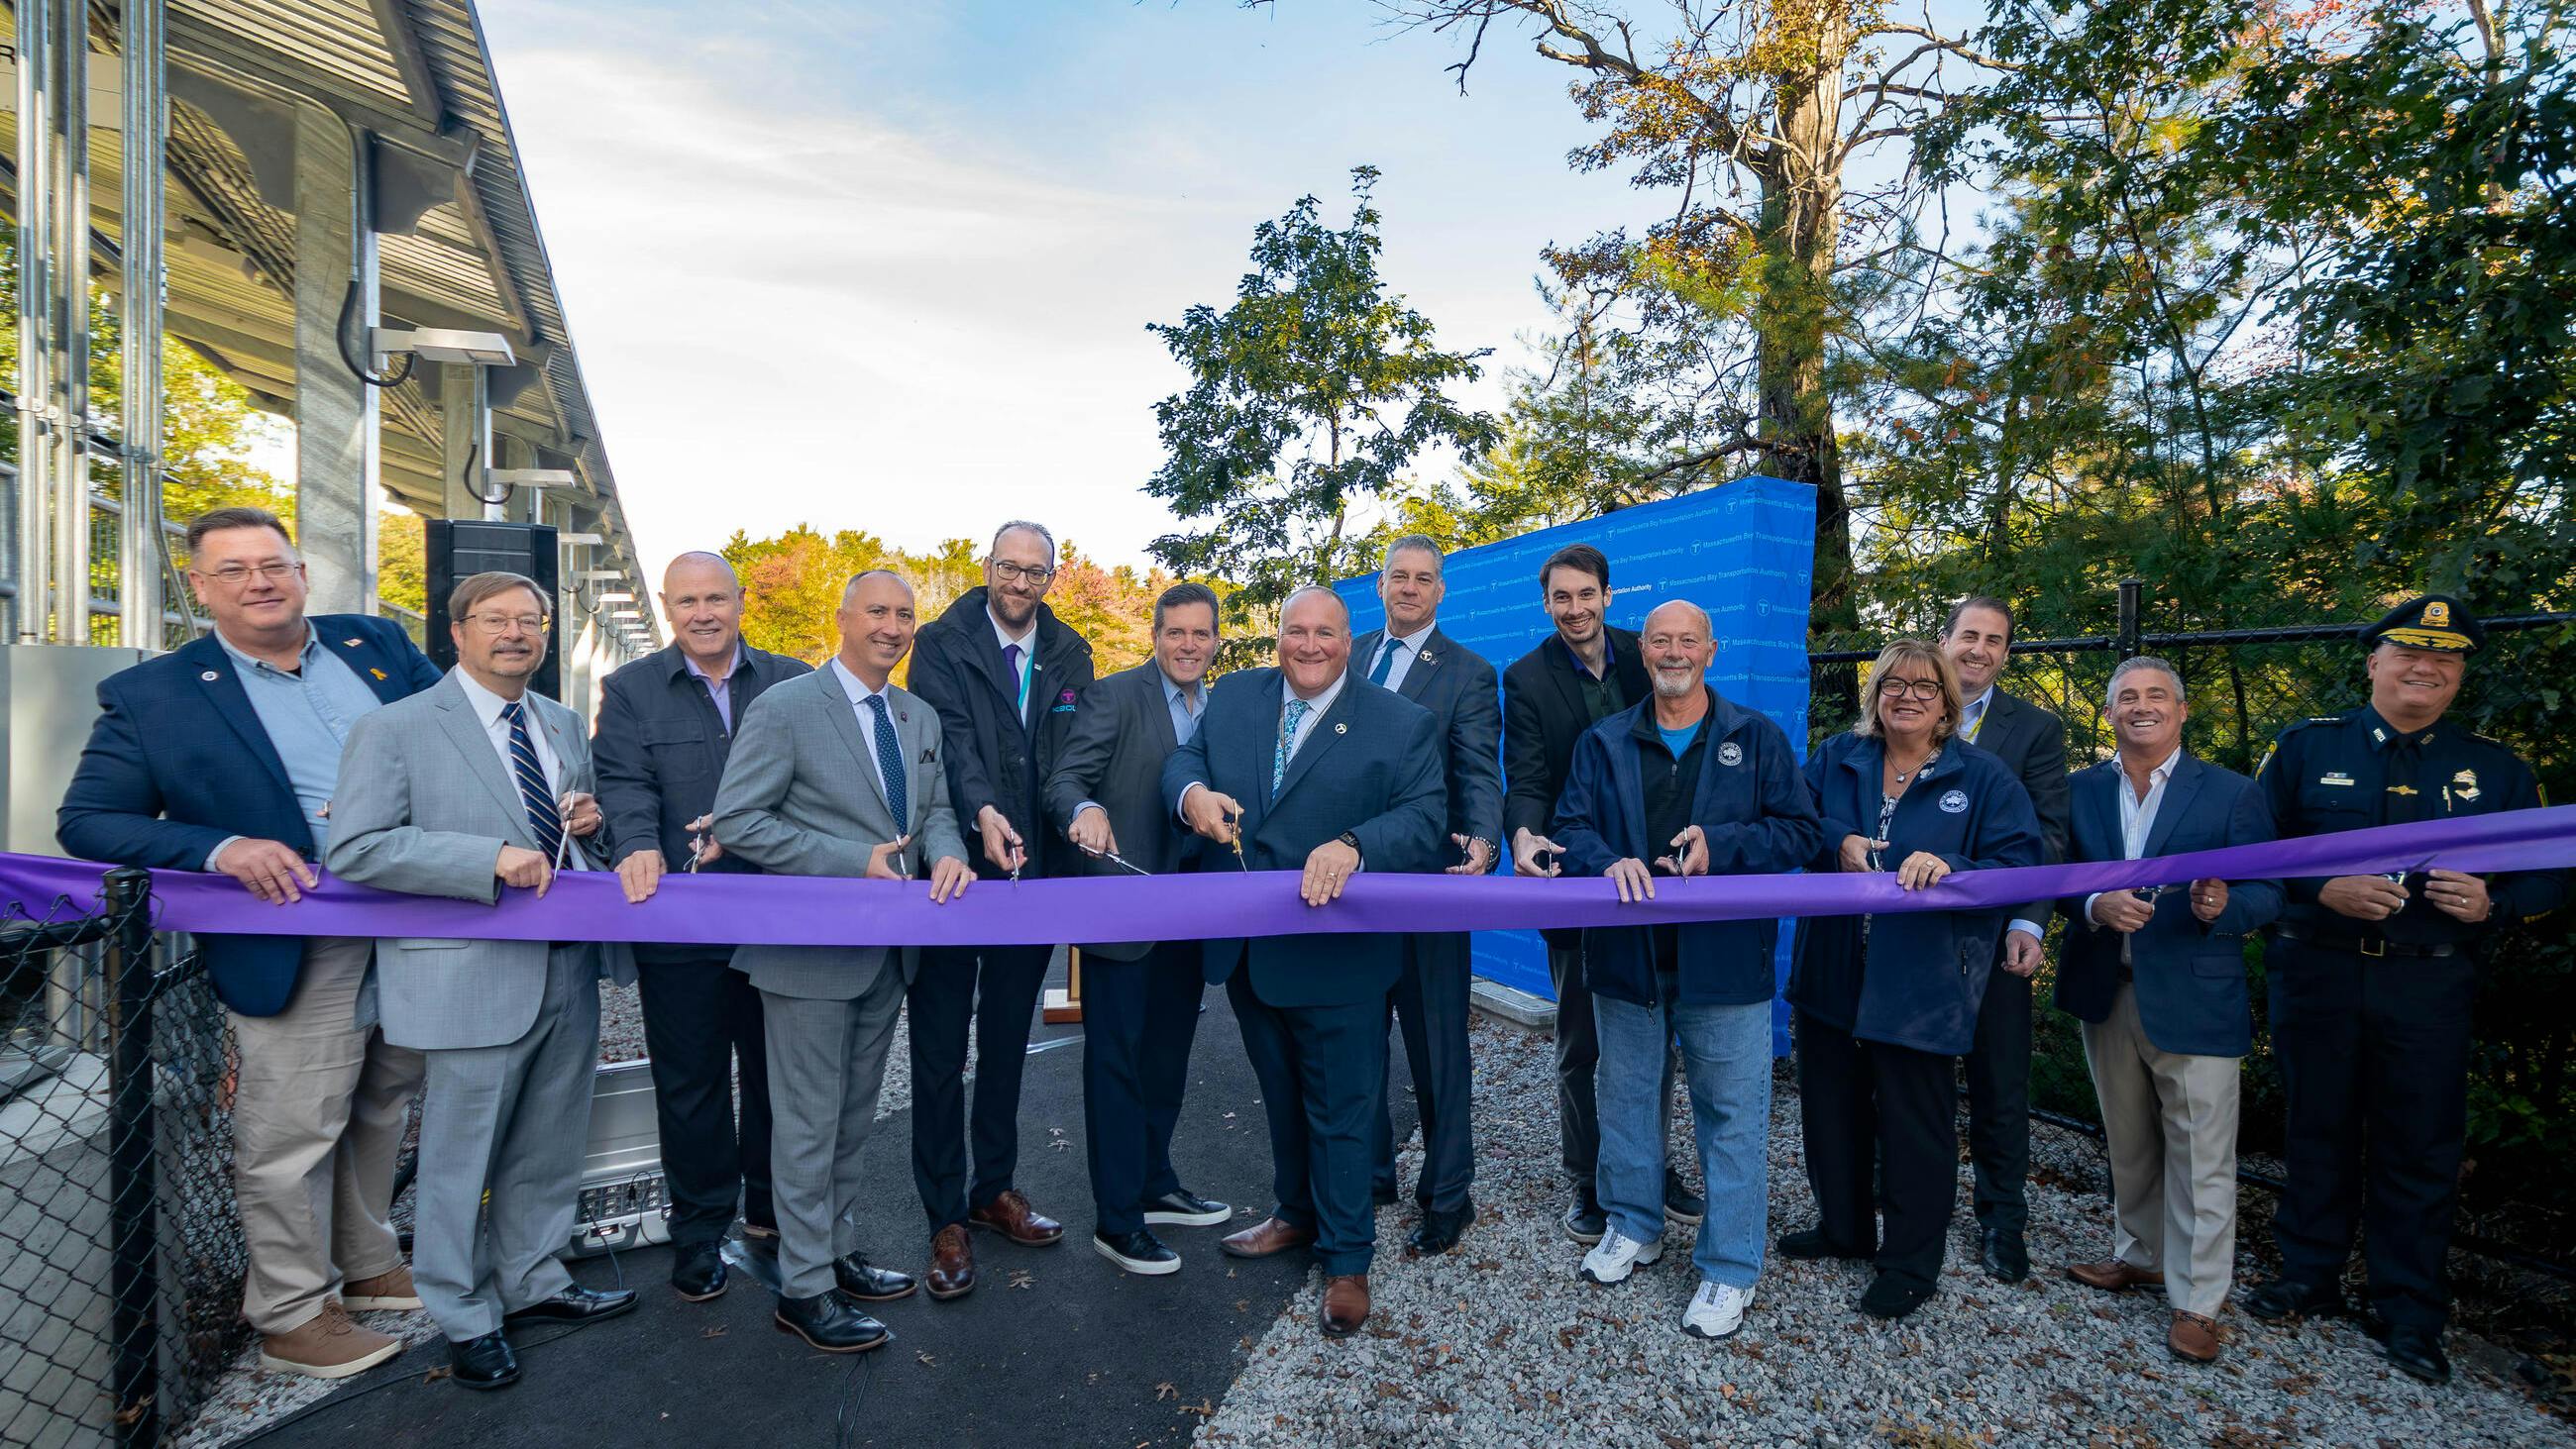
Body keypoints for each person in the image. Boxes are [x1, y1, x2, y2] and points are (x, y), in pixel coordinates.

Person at [55, 505, 442, 1381]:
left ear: (303, 572)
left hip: (413, 916)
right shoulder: (154, 693)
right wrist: (220, 848)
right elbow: (86, 820)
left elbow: (455, 739)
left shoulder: (372, 642)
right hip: (294, 931)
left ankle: (367, 1262)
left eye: (274, 564)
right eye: (233, 570)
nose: (260, 582)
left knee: (384, 1096)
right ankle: (292, 1310)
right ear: (201, 588)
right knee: (292, 1125)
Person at [2243, 595, 2567, 1385]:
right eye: (2409, 653)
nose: (2425, 667)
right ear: (2374, 663)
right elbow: (2250, 850)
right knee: (2316, 1128)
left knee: (2418, 1147)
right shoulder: (2305, 748)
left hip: (2429, 985)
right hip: (2319, 973)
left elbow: (2552, 871)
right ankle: (2307, 1276)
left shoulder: (2496, 768)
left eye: (2444, 658)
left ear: (2457, 676)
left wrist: (2498, 904)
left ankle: (2410, 1309)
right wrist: (2323, 887)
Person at [325, 571, 636, 1390]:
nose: (516, 633)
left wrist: (590, 828)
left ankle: (532, 1280)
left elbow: (575, 847)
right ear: (455, 630)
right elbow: (355, 848)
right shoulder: (394, 727)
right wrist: (483, 860)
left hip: (564, 970)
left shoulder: (563, 722)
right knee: (462, 1157)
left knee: (549, 1140)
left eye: (530, 621)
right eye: (496, 619)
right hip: (466, 977)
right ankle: (464, 1313)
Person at [1162, 585, 1445, 1338]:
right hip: (1250, 954)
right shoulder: (1233, 697)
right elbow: (1184, 758)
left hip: (1339, 956)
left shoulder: (1402, 722)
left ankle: (1348, 1258)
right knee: (1282, 1097)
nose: (1309, 645)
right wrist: (1191, 792)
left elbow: (1425, 818)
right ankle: (1294, 1213)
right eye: (1296, 630)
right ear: (1277, 635)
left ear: (1351, 642)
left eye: (1326, 632)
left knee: (1345, 1111)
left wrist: (1355, 843)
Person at [710, 569, 975, 1353]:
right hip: (805, 958)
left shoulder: (917, 714)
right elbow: (739, 819)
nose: (892, 626)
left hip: (887, 957)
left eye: (904, 614)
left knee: (851, 1120)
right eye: (877, 612)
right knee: (804, 1125)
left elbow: (934, 812)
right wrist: (847, 858)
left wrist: (950, 854)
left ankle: (832, 1249)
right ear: (842, 619)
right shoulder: (787, 706)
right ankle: (804, 1288)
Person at [1551, 601, 1823, 1341]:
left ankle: (1730, 1267)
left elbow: (1801, 831)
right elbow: (1568, 828)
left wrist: (1722, 843)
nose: (1674, 652)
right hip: (1626, 961)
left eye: (1687, 641)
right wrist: (1610, 860)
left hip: (1726, 965)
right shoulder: (1604, 740)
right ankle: (1634, 1225)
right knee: (1629, 1099)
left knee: (1732, 1117)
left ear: (1711, 649)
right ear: (1645, 652)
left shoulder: (1756, 738)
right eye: (1661, 641)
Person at [1781, 638, 2042, 1320]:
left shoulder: (1983, 777)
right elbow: (1792, 822)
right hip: (1832, 968)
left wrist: (1950, 862)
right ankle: (1844, 1227)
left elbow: (2019, 861)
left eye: (1926, 687)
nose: (1908, 696)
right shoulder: (1840, 756)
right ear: (1875, 694)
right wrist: (1836, 836)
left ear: (1948, 702)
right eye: (1894, 683)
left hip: (1923, 982)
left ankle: (1910, 1261)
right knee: (1830, 1109)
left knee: (1915, 1123)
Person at [591, 551, 811, 1301]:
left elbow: (819, 777)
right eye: (687, 600)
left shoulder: (793, 681)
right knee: (692, 1086)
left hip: (778, 918)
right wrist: (637, 841)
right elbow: (620, 779)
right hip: (680, 920)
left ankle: (773, 1213)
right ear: (667, 606)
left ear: (741, 600)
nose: (703, 612)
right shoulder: (630, 689)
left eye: (716, 596)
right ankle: (698, 1231)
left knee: (780, 1077)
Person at [2053, 657, 2282, 1365]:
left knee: (2203, 1155)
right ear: (2111, 712)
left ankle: (2198, 1300)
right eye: (2127, 696)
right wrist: (2093, 904)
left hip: (2194, 996)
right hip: (2107, 990)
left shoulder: (2234, 793)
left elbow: (2269, 889)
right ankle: (2141, 1254)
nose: (2141, 706)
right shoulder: (2080, 791)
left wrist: (2224, 906)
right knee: (2129, 1141)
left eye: (2156, 695)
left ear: (2182, 710)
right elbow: (2054, 876)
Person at [903, 520, 1096, 1296]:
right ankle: (945, 1214)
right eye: (1008, 568)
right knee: (941, 1048)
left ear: (1052, 576)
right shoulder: (943, 642)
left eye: (1035, 572)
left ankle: (995, 1188)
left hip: (1031, 878)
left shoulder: (1072, 650)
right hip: (954, 873)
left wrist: (1075, 809)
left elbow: (1070, 754)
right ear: (987, 566)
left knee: (1008, 1041)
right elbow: (947, 742)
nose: (1020, 583)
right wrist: (981, 810)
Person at [1501, 543, 1699, 1244]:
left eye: (1586, 594)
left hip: (1656, 883)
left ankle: (1652, 1167)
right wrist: (1522, 835)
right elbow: (1525, 776)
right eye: (1561, 597)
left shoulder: (1649, 654)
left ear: (1608, 595)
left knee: (1655, 1038)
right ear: (1547, 602)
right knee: (1583, 1042)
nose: (1575, 608)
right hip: (1579, 881)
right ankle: (1589, 1178)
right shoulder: (1525, 678)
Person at [1042, 581, 1233, 1275]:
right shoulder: (1115, 696)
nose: (1188, 645)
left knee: (1166, 1059)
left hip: (1193, 914)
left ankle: (1154, 1183)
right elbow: (1064, 780)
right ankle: (1117, 1220)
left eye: (1200, 634)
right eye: (1176, 632)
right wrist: (1083, 809)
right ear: (1156, 635)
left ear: (1217, 639)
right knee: (1116, 1065)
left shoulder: (1225, 706)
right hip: (1122, 910)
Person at [1355, 536, 1503, 1257]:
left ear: (1441, 591)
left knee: (1438, 1047)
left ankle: (1448, 1195)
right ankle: (1371, 1174)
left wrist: (1483, 838)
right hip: (1348, 886)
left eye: (1423, 579)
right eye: (1398, 577)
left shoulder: (1468, 673)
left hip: (1429, 883)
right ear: (1380, 585)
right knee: (1356, 1042)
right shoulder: (1345, 654)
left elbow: (1477, 768)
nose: (1409, 588)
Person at [1938, 595, 2070, 1284]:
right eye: (1969, 635)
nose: (1979, 650)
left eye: (1994, 640)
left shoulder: (2035, 730)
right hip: (1916, 934)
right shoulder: (1903, 706)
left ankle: (2001, 1218)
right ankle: (1899, 1195)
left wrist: (2027, 919)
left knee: (1999, 1080)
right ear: (1946, 639)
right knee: (1903, 1074)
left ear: (2006, 653)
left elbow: (2050, 834)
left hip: (1995, 937)